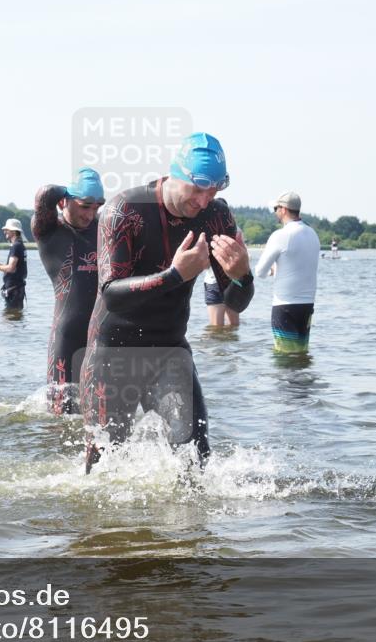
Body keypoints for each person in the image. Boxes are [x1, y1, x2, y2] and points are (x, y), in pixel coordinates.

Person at [79, 132, 254, 473]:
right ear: (176, 174)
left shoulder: (216, 217)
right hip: (112, 354)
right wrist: (174, 275)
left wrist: (242, 275)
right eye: (198, 188)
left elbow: (236, 303)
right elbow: (112, 294)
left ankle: (193, 528)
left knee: (196, 457)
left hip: (170, 350)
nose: (205, 200)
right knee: (102, 467)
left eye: (215, 190)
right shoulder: (124, 209)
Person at [32, 168, 104, 414]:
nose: (91, 213)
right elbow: (45, 194)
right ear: (64, 201)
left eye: (96, 206)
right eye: (85, 206)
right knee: (62, 414)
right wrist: (69, 190)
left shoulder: (103, 229)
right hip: (67, 335)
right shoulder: (49, 231)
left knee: (101, 411)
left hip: (101, 333)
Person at [253, 191, 320, 354]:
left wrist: (272, 270)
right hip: (307, 305)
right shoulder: (312, 234)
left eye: (276, 208)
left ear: (283, 209)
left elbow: (260, 271)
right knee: (301, 354)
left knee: (285, 358)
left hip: (285, 305)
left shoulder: (280, 235)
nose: (275, 212)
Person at [0, 218, 28, 310]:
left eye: (7, 230)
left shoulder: (16, 246)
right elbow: (13, 267)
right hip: (17, 289)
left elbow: (11, 268)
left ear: (14, 231)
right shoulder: (19, 245)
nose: (4, 232)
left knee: (10, 320)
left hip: (14, 290)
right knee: (13, 318)